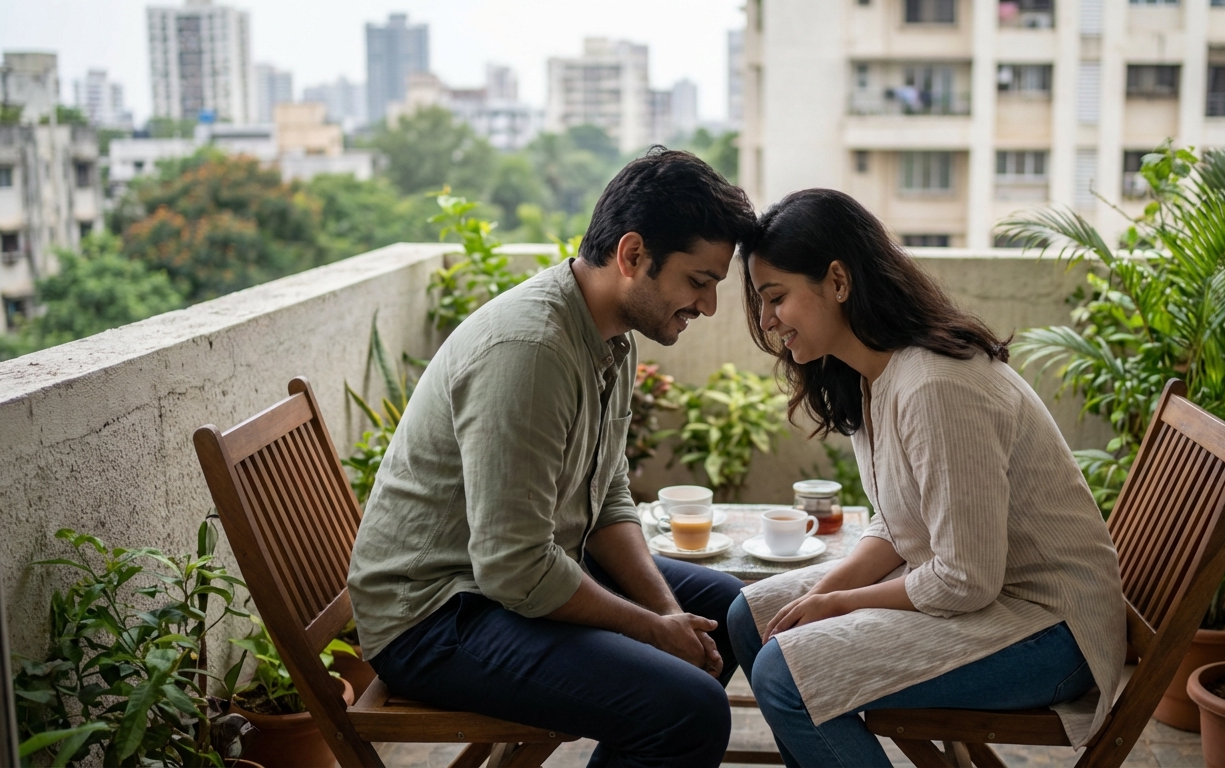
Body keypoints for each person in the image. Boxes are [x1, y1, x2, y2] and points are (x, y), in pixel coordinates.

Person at [347, 149, 757, 768]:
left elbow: (609, 497)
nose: (709, 307)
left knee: (725, 613)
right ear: (632, 255)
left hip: (517, 572)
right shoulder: (531, 352)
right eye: (699, 282)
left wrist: (670, 615)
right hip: (436, 617)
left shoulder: (610, 340)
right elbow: (514, 570)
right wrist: (650, 629)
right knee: (687, 710)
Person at [727, 189, 1126, 767]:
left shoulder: (937, 385)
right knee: (751, 617)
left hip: (1048, 631)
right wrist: (827, 592)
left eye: (776, 298)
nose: (765, 322)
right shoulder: (867, 376)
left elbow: (966, 578)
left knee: (785, 675)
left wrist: (840, 606)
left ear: (838, 281)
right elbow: (897, 526)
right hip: (986, 603)